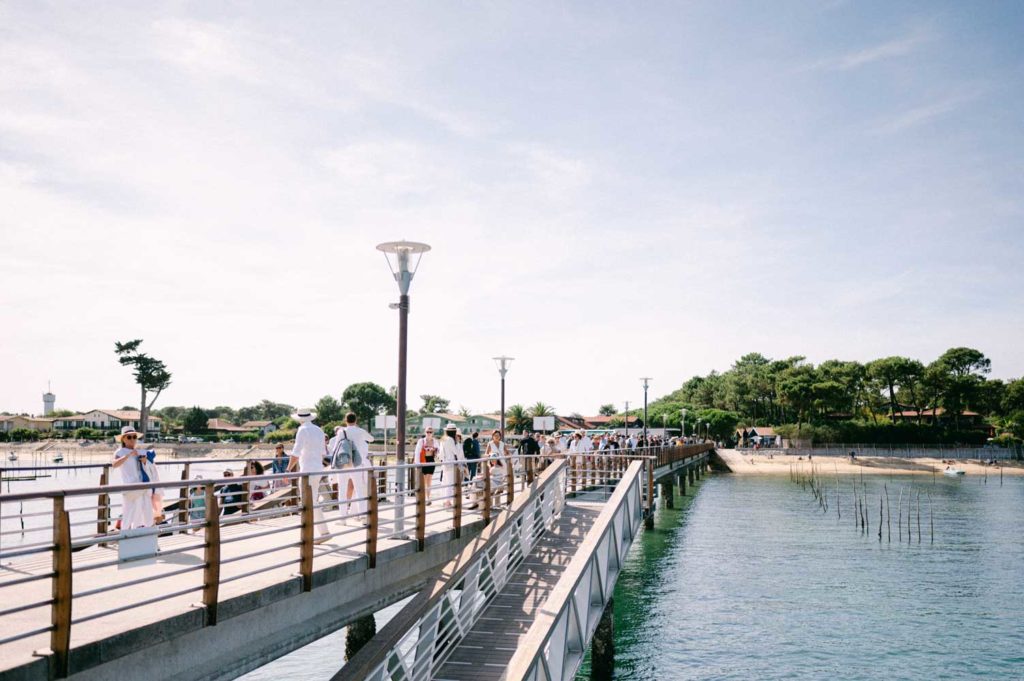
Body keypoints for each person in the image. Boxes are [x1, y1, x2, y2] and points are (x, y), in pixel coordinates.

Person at [287, 408, 331, 543]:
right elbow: (323, 452)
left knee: (307, 502)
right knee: (313, 501)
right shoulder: (319, 430)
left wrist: (288, 469)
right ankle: (320, 532)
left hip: (307, 470)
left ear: (300, 419)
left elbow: (296, 452)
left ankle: (314, 534)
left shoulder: (302, 430)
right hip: (318, 469)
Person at [111, 426, 159, 529]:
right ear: (123, 439)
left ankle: (146, 533)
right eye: (129, 437)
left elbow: (149, 468)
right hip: (130, 487)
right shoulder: (120, 452)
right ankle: (127, 534)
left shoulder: (140, 451)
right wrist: (128, 455)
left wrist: (145, 461)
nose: (132, 439)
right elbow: (114, 464)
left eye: (134, 437)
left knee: (146, 510)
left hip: (143, 485)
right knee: (129, 512)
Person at [338, 412, 374, 523]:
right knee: (359, 489)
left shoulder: (341, 431)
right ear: (356, 420)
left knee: (342, 490)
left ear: (345, 420)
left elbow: (337, 447)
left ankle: (343, 518)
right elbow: (371, 439)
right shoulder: (360, 431)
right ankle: (363, 515)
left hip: (344, 463)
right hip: (357, 463)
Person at [437, 424, 468, 508]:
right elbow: (456, 452)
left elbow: (440, 454)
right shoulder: (451, 440)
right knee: (450, 483)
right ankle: (447, 502)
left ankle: (445, 500)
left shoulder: (443, 439)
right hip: (451, 464)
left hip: (445, 463)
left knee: (445, 482)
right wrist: (458, 443)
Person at [414, 427, 439, 504]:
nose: (429, 433)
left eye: (430, 432)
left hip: (431, 460)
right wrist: (417, 464)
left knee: (429, 480)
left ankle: (428, 498)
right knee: (424, 480)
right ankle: (424, 497)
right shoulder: (421, 441)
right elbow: (417, 452)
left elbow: (439, 452)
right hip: (423, 460)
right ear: (425, 432)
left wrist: (435, 450)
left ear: (433, 433)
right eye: (427, 432)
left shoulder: (435, 441)